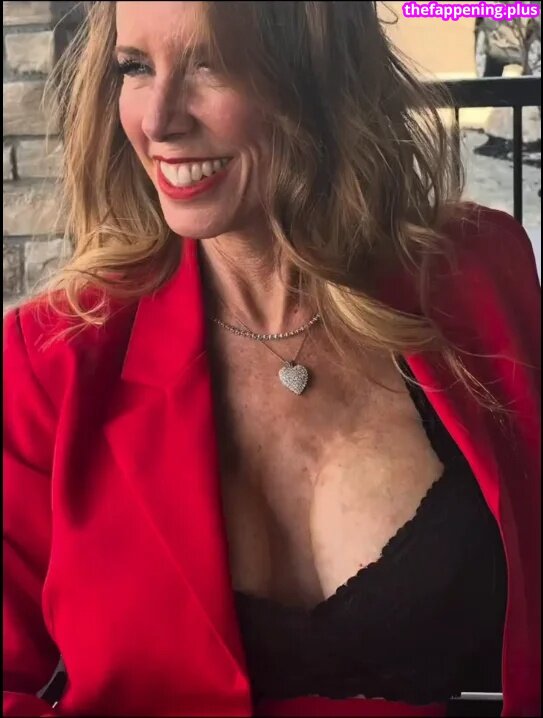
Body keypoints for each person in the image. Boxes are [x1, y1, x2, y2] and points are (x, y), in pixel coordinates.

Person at [3, 2, 540, 717]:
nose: (158, 120)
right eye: (134, 67)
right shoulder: (49, 361)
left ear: (317, 75)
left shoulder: (478, 277)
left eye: (210, 63)